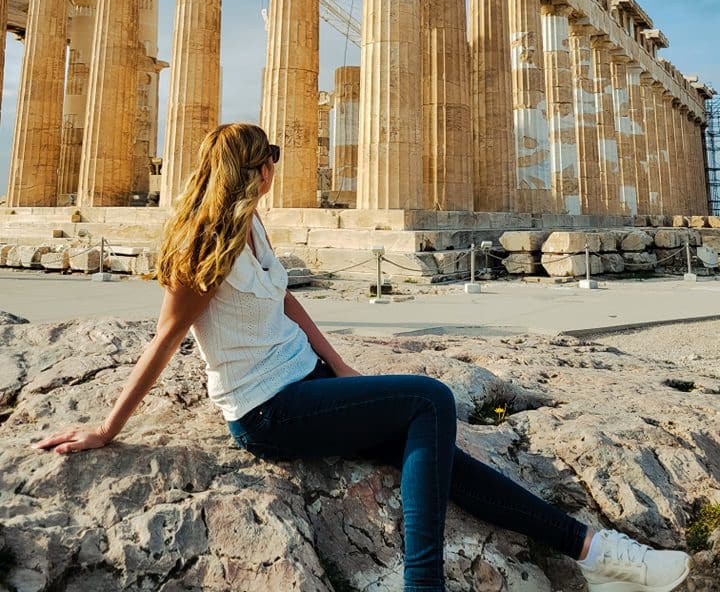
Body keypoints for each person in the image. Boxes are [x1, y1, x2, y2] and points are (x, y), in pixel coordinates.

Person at [35, 123, 691, 592]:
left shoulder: (255, 225)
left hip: (310, 384)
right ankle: (424, 582)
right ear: (252, 168)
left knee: (441, 460)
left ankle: (596, 552)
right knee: (429, 399)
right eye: (273, 157)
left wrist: (343, 370)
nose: (277, 167)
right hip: (268, 411)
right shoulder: (205, 246)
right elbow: (164, 340)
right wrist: (106, 430)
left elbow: (289, 305)